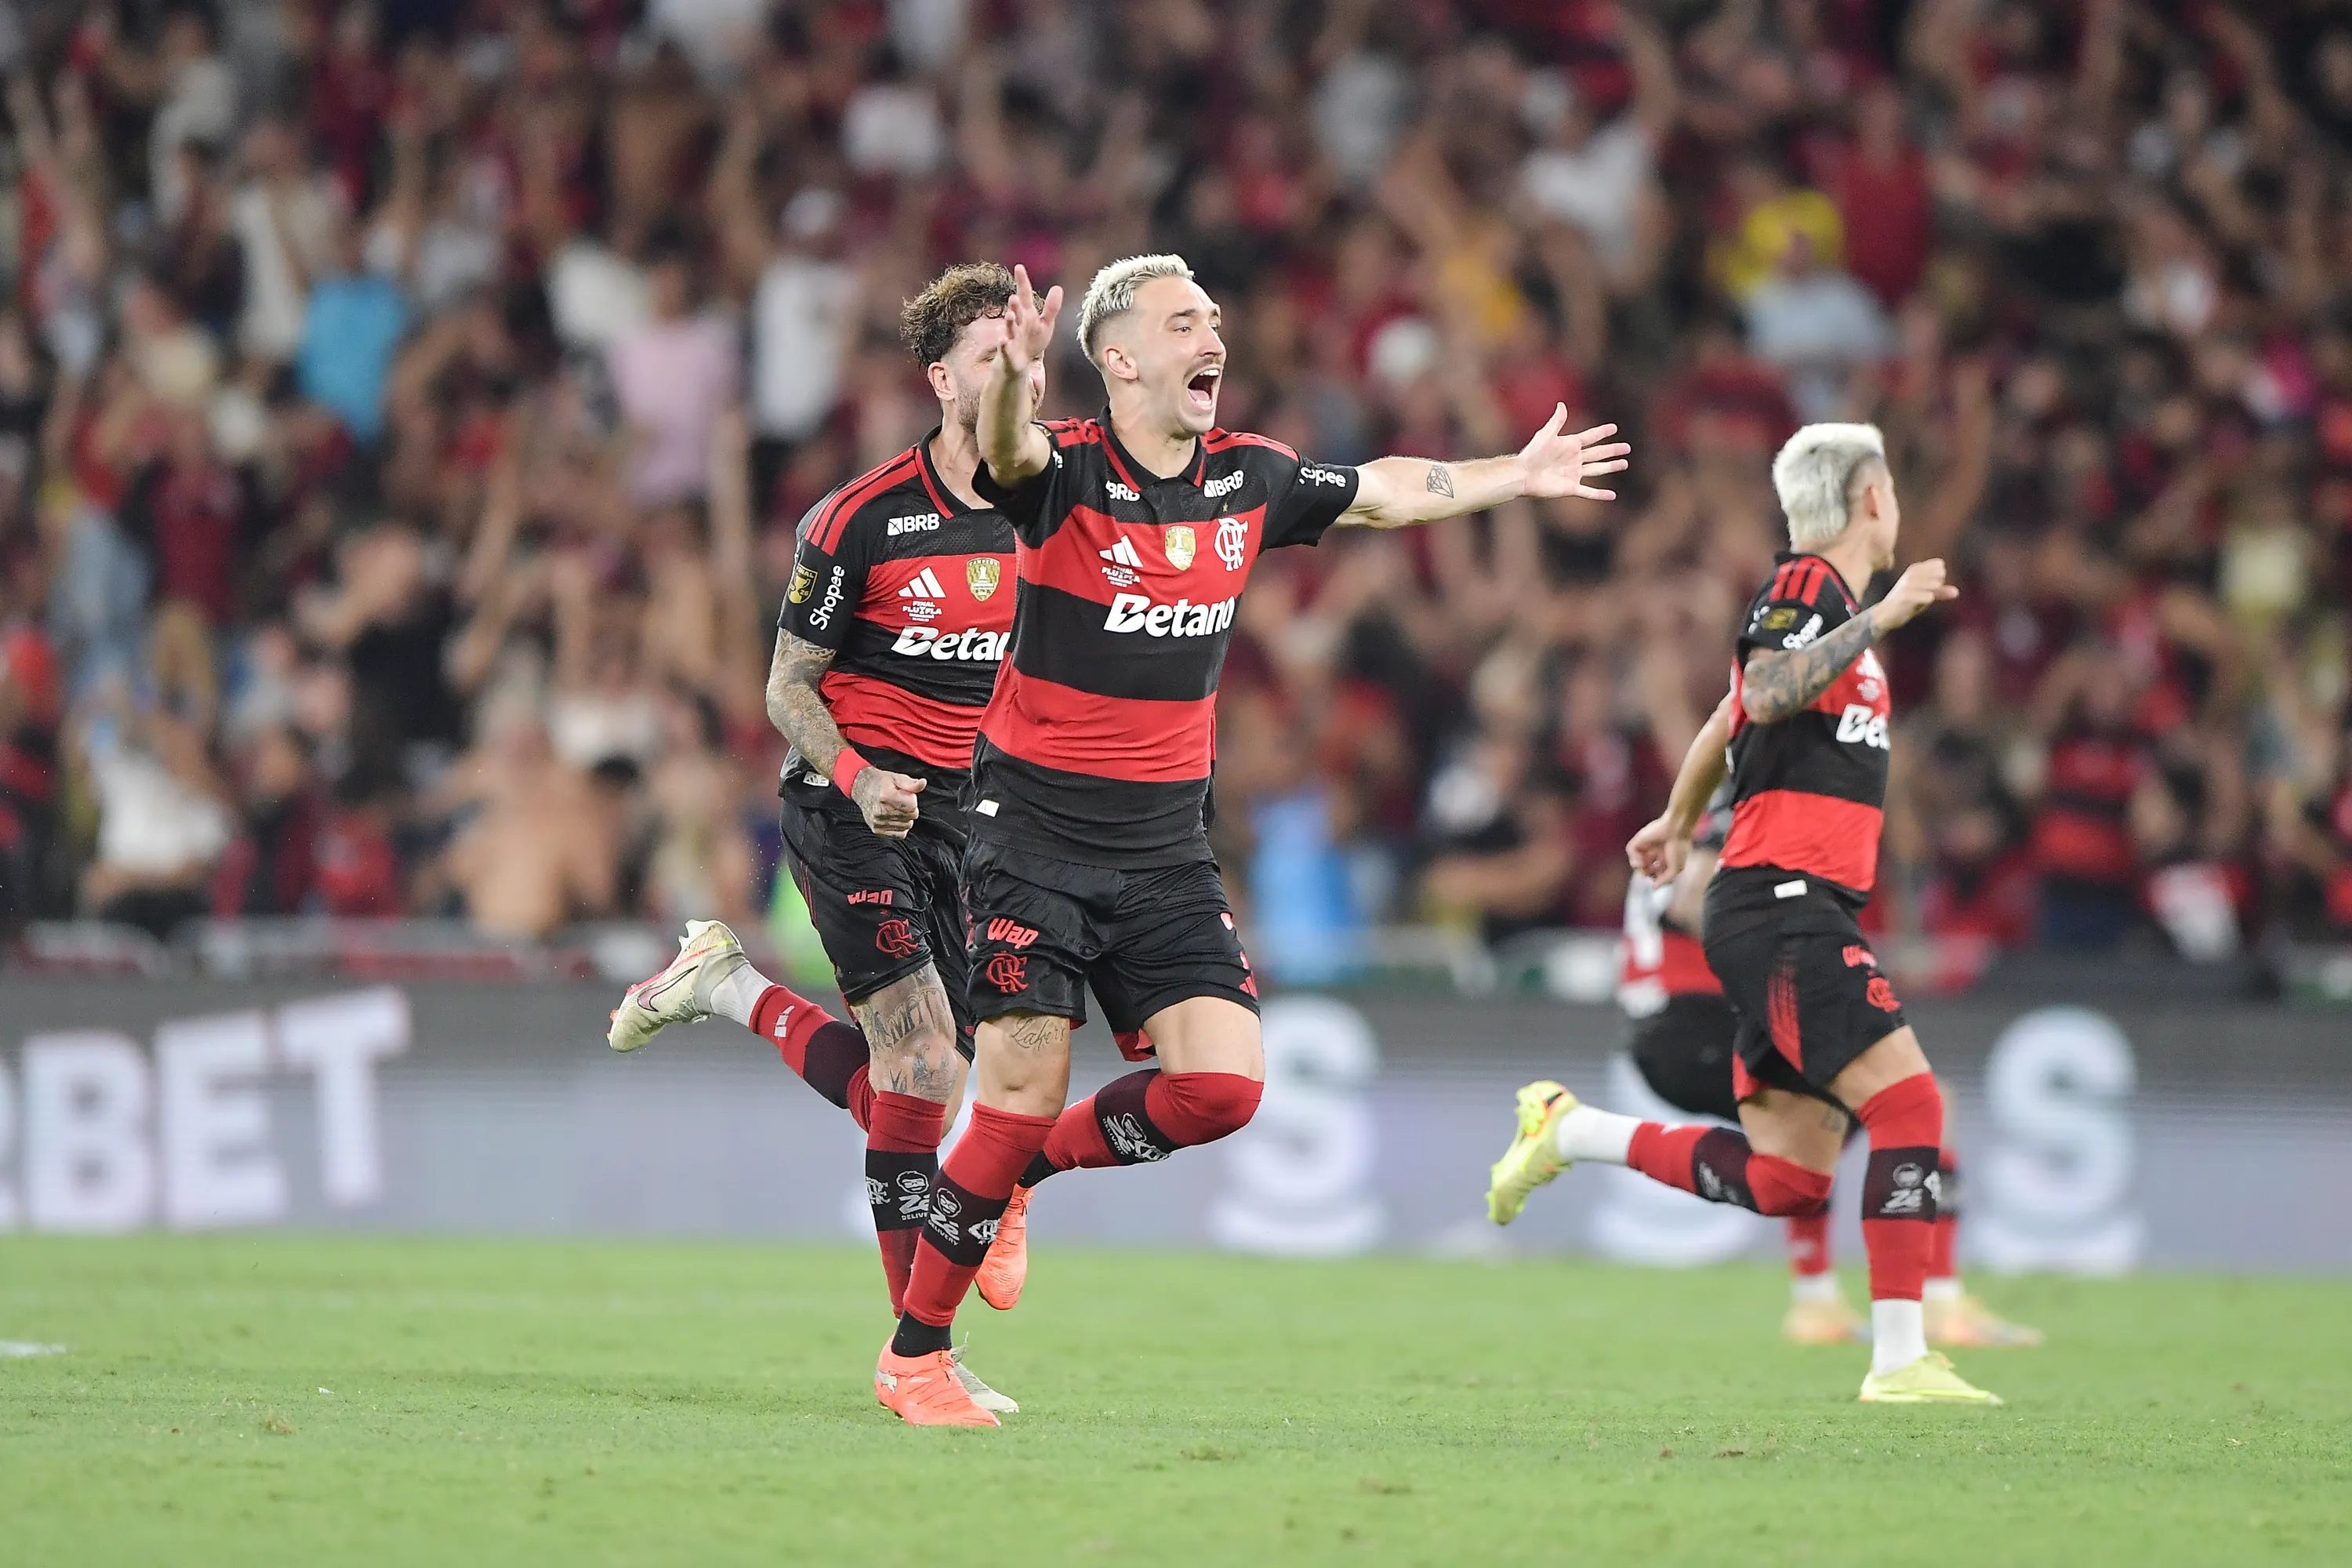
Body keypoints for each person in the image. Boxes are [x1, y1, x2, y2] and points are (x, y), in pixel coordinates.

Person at [864, 255, 1628, 1426]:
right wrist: (1014, 373)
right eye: (1183, 323)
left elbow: (1385, 491)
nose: (1211, 336)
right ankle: (915, 1356)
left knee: (1221, 1087)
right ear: (1119, 359)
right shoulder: (1062, 470)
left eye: (1214, 318)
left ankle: (1022, 1173)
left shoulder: (1249, 477)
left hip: (1166, 847)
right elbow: (1006, 450)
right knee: (1016, 1088)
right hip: (1034, 836)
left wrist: (1515, 476)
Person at [1487, 422, 2004, 1406]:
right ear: (1873, 498)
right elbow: (1764, 694)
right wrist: (1882, 616)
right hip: (1784, 901)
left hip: (1778, 903)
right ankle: (1901, 1357)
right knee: (1911, 1106)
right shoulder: (1810, 589)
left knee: (1790, 1179)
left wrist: (1679, 820)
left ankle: (1568, 1130)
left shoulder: (1820, 610)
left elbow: (1728, 718)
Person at [604, 263, 1031, 1417]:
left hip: (972, 822)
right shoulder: (859, 519)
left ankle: (729, 986)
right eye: (989, 358)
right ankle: (920, 1358)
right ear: (942, 380)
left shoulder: (1054, 508)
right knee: (925, 1062)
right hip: (849, 806)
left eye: (1024, 358)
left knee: (934, 1081)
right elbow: (786, 685)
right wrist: (859, 773)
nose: (1012, 377)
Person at [1620, 809, 2042, 1350]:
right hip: (1697, 1020)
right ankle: (1934, 1302)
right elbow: (1693, 899)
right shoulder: (1729, 816)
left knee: (1818, 1132)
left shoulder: (1691, 817)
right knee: (1921, 1103)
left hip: (1664, 1026)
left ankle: (1820, 1303)